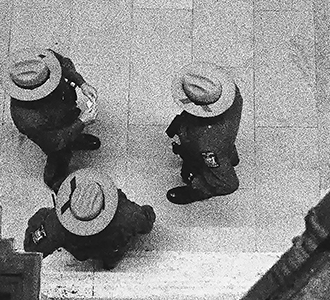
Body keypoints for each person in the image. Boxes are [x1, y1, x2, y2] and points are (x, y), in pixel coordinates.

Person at [2, 48, 101, 190]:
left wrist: (81, 83)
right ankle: (55, 178)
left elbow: (63, 64)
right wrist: (82, 122)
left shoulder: (42, 61)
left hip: (65, 109)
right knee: (60, 152)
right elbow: (53, 142)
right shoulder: (27, 119)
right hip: (52, 130)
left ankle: (75, 138)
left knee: (72, 128)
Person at [23, 169, 156, 270]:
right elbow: (147, 222)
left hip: (82, 251)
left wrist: (45, 214)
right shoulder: (129, 214)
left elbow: (31, 249)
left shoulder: (55, 224)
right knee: (112, 257)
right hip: (112, 248)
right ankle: (109, 265)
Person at [165, 62, 242, 204]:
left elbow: (230, 183)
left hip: (211, 147)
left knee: (209, 168)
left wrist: (198, 181)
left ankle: (201, 189)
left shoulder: (206, 144)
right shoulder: (232, 95)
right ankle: (230, 156)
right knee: (224, 147)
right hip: (225, 137)